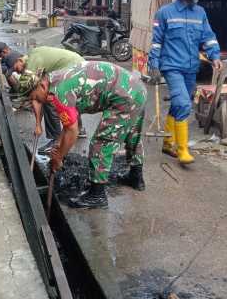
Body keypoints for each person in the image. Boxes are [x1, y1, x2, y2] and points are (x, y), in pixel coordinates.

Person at [17, 61, 147, 209]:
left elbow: (73, 131)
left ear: (41, 86)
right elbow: (68, 126)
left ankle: (97, 195)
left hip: (125, 97)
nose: (35, 101)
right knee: (132, 134)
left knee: (101, 143)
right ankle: (136, 178)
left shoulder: (59, 94)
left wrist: (58, 158)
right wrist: (58, 146)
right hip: (136, 88)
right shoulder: (55, 80)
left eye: (34, 96)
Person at [147, 0, 222, 165]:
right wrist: (153, 66)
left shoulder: (200, 13)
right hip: (172, 66)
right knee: (184, 104)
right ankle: (183, 150)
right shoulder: (165, 13)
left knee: (179, 103)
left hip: (191, 67)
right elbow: (156, 42)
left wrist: (214, 56)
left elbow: (208, 36)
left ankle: (168, 141)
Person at [4, 46, 85, 154]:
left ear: (19, 60)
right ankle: (79, 128)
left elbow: (34, 96)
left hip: (74, 67)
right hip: (80, 64)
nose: (17, 73)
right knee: (70, 99)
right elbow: (35, 97)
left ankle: (55, 139)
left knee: (49, 100)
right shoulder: (34, 62)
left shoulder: (31, 64)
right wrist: (38, 125)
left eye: (15, 69)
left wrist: (37, 123)